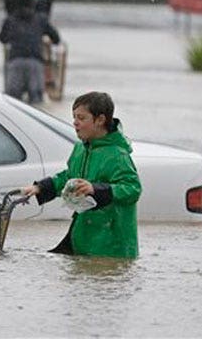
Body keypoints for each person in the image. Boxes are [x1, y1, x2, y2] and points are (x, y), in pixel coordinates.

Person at [21, 92, 142, 258]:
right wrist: (40, 187)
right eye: (74, 117)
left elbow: (133, 188)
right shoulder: (80, 149)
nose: (75, 123)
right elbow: (68, 177)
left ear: (100, 120)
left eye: (81, 118)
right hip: (83, 236)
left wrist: (95, 189)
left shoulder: (118, 155)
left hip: (111, 245)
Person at [0, 0, 60, 104]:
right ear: (33, 4)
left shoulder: (10, 20)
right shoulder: (41, 19)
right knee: (36, 102)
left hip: (15, 61)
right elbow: (56, 38)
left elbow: (2, 38)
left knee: (12, 102)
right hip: (35, 63)